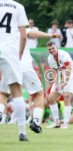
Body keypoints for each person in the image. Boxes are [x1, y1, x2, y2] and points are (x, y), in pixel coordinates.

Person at [0, 31, 62, 134]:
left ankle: (0, 112)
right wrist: (50, 35)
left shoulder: (3, 34)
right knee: (39, 94)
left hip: (10, 66)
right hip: (25, 67)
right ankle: (36, 122)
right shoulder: (19, 28)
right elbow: (32, 34)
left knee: (4, 94)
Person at [0, 0, 29, 141]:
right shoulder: (18, 7)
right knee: (16, 91)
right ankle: (22, 132)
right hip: (9, 50)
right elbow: (23, 36)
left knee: (2, 91)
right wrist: (19, 54)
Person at [46, 41, 73, 129]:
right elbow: (55, 72)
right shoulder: (50, 58)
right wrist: (56, 84)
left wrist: (64, 81)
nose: (51, 50)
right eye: (49, 49)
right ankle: (57, 122)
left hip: (70, 76)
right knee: (51, 99)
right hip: (60, 77)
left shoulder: (64, 55)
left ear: (56, 47)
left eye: (53, 48)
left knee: (67, 96)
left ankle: (66, 123)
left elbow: (68, 68)